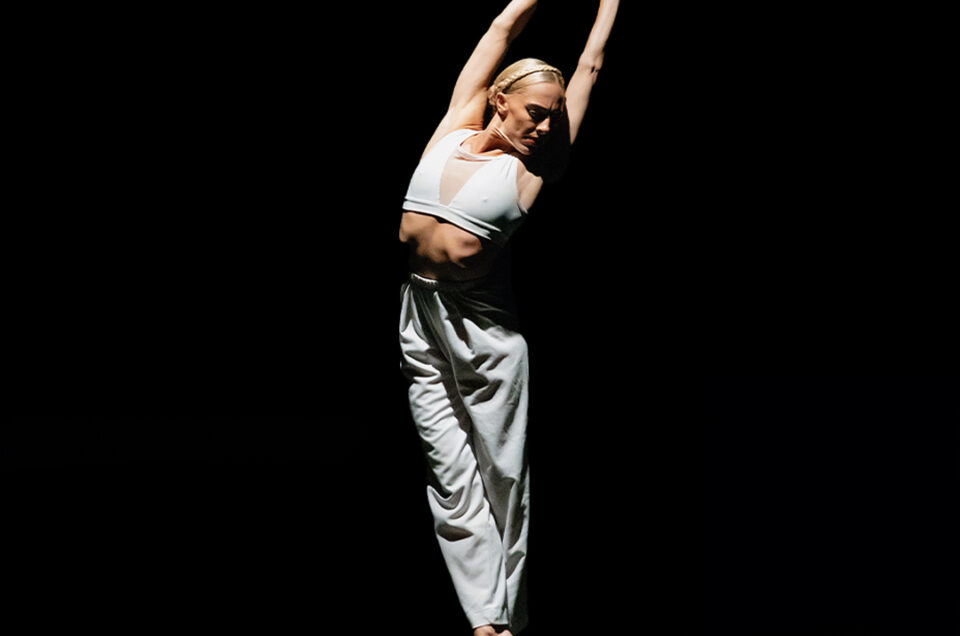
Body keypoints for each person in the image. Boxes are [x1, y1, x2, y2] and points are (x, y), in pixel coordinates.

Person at [397, 2, 619, 634]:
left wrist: (607, 7)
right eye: (535, 112)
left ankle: (504, 622)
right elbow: (501, 30)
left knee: (504, 480)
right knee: (449, 476)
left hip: (486, 335)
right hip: (419, 314)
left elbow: (591, 66)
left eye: (555, 116)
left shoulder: (533, 168)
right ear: (499, 100)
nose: (547, 126)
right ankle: (482, 617)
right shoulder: (453, 127)